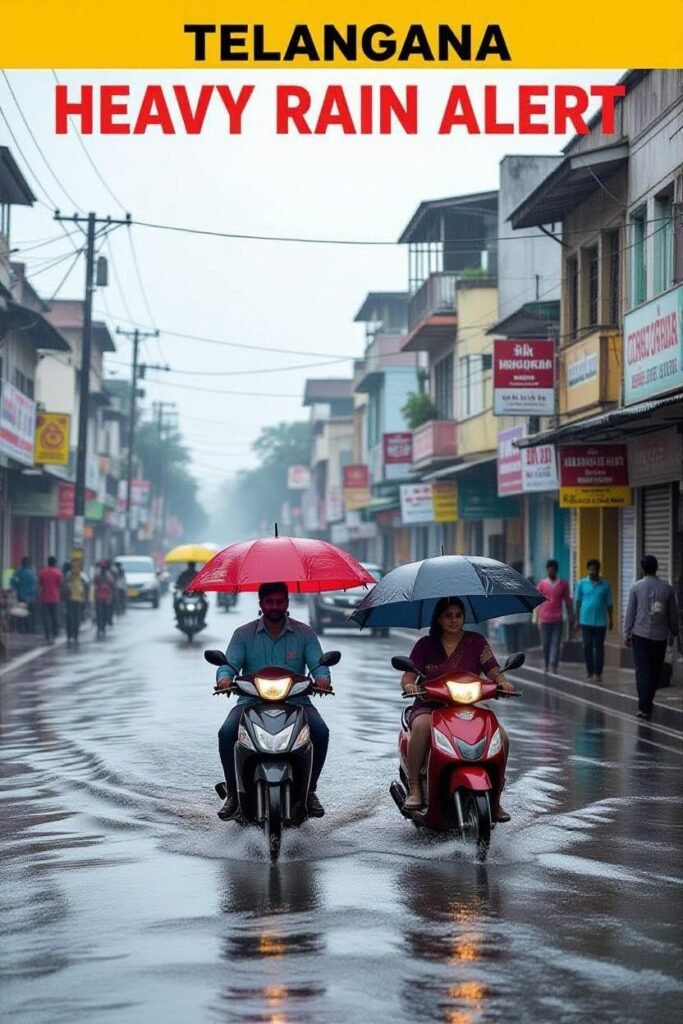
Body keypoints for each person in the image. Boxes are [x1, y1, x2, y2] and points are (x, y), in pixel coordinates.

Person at [214, 581, 333, 820]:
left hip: (297, 702)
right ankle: (233, 796)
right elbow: (228, 665)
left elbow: (319, 666)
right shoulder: (243, 634)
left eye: (279, 601)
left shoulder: (304, 633)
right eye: (269, 602)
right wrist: (225, 678)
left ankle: (310, 790)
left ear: (287, 603)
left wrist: (322, 679)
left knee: (320, 731)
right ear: (261, 604)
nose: (274, 606)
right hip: (250, 702)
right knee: (227, 733)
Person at [400, 596, 516, 820]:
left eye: (458, 615)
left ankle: (497, 798)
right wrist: (410, 686)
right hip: (429, 706)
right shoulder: (425, 645)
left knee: (502, 738)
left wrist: (503, 682)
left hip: (467, 706)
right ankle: (416, 787)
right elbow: (408, 676)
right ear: (439, 619)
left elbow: (492, 669)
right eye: (448, 616)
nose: (454, 620)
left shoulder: (477, 642)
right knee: (423, 727)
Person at [624, 554, 680, 720]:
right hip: (659, 636)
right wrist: (674, 631)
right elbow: (673, 613)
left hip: (640, 635)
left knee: (642, 670)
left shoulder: (636, 587)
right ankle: (647, 702)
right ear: (656, 568)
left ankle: (644, 705)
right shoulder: (667, 588)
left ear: (643, 569)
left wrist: (627, 632)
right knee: (655, 670)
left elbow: (630, 611)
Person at [574, 559, 613, 682]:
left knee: (599, 647)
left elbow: (609, 603)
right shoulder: (581, 584)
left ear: (598, 570)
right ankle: (589, 671)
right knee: (587, 646)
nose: (593, 571)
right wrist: (576, 620)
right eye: (591, 569)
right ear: (588, 570)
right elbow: (578, 602)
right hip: (585, 621)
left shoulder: (606, 585)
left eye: (595, 569)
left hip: (601, 621)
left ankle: (598, 673)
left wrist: (611, 619)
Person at [536, 559, 573, 674]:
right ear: (547, 570)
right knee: (545, 643)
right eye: (549, 570)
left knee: (556, 643)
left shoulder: (563, 584)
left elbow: (567, 601)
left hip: (558, 619)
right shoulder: (542, 584)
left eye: (553, 571)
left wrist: (571, 616)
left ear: (556, 571)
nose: (551, 572)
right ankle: (547, 663)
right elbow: (537, 601)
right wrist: (537, 618)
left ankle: (553, 664)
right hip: (544, 619)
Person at [63, 558, 90, 643]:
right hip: (78, 599)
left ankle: (70, 634)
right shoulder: (83, 576)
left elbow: (64, 586)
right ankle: (75, 634)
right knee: (77, 617)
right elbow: (87, 587)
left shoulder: (68, 575)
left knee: (70, 617)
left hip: (70, 599)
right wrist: (85, 598)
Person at [38, 556, 63, 642]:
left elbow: (40, 584)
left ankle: (47, 634)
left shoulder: (42, 573)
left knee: (46, 617)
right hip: (55, 598)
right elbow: (60, 585)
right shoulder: (58, 573)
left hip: (44, 597)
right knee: (54, 616)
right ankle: (55, 633)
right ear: (55, 563)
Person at [11, 556, 37, 633]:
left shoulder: (18, 572)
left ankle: (21, 629)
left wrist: (17, 587)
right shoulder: (32, 573)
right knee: (30, 615)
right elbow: (34, 585)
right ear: (29, 564)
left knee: (21, 614)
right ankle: (29, 629)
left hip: (21, 596)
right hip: (31, 597)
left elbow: (13, 582)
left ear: (22, 563)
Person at [93, 562, 115, 639]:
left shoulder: (108, 577)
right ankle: (100, 627)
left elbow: (112, 586)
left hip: (105, 597)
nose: (103, 570)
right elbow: (95, 584)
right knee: (99, 613)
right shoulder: (98, 576)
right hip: (99, 597)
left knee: (104, 613)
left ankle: (102, 627)